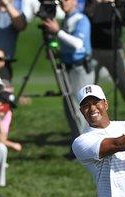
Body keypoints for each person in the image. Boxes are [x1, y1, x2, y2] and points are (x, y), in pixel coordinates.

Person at [40, 0, 93, 147]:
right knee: (70, 108)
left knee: (80, 109)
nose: (63, 2)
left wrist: (58, 32)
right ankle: (77, 144)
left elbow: (78, 44)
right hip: (67, 68)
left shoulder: (81, 19)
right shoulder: (66, 20)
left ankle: (85, 147)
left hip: (79, 69)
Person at [86, 0, 125, 123]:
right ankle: (90, 124)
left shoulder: (119, 3)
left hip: (114, 50)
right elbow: (89, 14)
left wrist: (113, 4)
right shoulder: (92, 3)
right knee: (90, 88)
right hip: (95, 50)